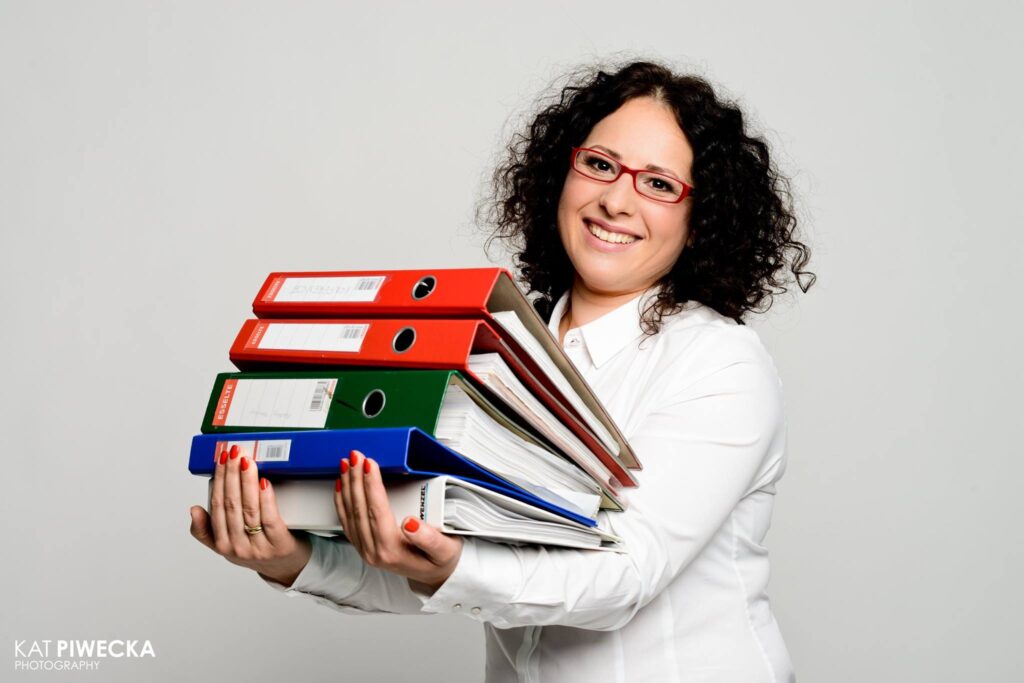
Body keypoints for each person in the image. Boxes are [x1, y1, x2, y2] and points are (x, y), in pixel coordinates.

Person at [189, 60, 815, 682]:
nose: (616, 200)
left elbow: (625, 574)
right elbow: (438, 567)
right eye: (600, 164)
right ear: (561, 174)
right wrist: (293, 559)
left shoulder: (720, 363)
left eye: (658, 184)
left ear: (702, 219)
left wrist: (452, 567)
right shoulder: (499, 352)